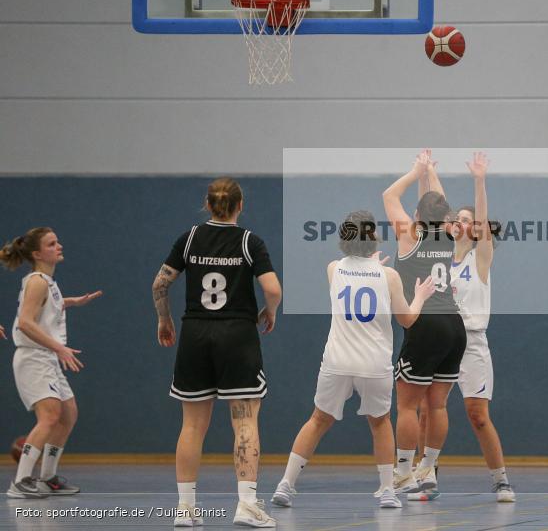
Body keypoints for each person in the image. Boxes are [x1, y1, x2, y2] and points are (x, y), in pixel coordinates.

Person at [271, 211, 436, 509]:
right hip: (373, 364)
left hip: (337, 361)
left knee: (318, 420)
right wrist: (421, 296)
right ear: (373, 237)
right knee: (381, 423)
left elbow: (357, 276)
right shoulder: (389, 277)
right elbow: (408, 319)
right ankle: (387, 490)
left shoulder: (333, 268)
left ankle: (285, 484)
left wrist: (372, 269)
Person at [153, 178, 282, 528]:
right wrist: (269, 311)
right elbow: (272, 287)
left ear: (208, 205)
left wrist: (164, 319)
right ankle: (246, 504)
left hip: (195, 334)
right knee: (244, 420)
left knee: (192, 425)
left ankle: (185, 509)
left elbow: (160, 283)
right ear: (240, 206)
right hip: (237, 336)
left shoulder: (190, 238)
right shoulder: (249, 241)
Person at [412, 151, 515, 503]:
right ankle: (425, 477)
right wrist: (426, 173)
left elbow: (482, 221)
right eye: (458, 218)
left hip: (471, 342)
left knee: (478, 415)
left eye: (468, 219)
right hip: (440, 339)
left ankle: (500, 480)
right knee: (426, 411)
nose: (461, 221)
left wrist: (479, 180)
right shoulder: (438, 252)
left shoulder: (480, 257)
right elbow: (434, 208)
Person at [383, 153, 467, 497]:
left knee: (406, 405)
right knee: (438, 405)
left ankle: (403, 471)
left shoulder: (409, 235)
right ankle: (427, 468)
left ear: (416, 216)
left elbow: (389, 196)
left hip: (426, 323)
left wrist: (416, 170)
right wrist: (431, 172)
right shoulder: (449, 234)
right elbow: (440, 202)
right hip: (454, 324)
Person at [1, 228, 102, 498]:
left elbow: (48, 306)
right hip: (34, 357)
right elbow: (24, 323)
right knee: (49, 416)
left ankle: (47, 478)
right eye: (52, 243)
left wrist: (72, 302)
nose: (59, 246)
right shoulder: (37, 281)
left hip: (46, 357)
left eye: (57, 241)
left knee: (68, 415)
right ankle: (21, 481)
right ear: (37, 253)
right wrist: (60, 348)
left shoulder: (47, 282)